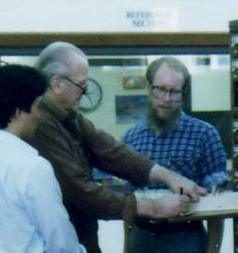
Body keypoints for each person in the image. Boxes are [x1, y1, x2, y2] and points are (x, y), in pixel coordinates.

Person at [29, 41, 208, 253]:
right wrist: (152, 207)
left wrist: (169, 176)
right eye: (82, 85)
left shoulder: (70, 117)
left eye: (174, 92)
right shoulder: (40, 122)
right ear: (57, 84)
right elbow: (79, 190)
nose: (85, 92)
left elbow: (110, 151)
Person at [0, 64, 86, 253]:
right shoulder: (31, 167)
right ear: (20, 111)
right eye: (36, 107)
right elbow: (60, 241)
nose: (38, 115)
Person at [122, 56, 230, 253]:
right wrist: (126, 247)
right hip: (141, 237)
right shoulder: (130, 138)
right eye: (161, 89)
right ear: (149, 88)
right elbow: (128, 202)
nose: (166, 99)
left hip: (185, 239)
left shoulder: (204, 135)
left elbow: (217, 205)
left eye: (174, 92)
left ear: (183, 93)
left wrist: (213, 250)